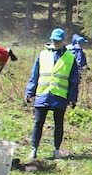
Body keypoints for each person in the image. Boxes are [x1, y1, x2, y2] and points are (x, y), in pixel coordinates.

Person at [25, 28, 80, 160]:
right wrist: (29, 92)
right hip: (42, 94)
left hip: (59, 96)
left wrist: (72, 98)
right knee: (38, 123)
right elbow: (35, 75)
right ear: (51, 39)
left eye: (58, 40)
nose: (56, 42)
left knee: (58, 124)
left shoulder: (70, 58)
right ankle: (33, 150)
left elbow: (74, 80)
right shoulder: (43, 55)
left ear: (63, 41)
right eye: (54, 40)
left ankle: (56, 150)